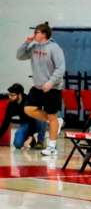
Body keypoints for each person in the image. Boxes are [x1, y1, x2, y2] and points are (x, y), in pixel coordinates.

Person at [15, 21, 65, 157]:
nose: (34, 35)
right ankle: (54, 122)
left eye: (36, 32)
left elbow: (61, 68)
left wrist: (51, 82)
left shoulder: (55, 48)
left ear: (44, 34)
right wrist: (26, 42)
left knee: (52, 115)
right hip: (37, 87)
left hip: (52, 88)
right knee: (28, 109)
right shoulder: (34, 46)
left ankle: (52, 147)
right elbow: (19, 56)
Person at [0, 84, 46, 150]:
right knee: (17, 144)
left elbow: (32, 120)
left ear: (19, 95)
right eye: (9, 95)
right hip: (25, 123)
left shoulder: (29, 101)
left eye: (12, 95)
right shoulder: (11, 104)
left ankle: (40, 141)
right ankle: (32, 140)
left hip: (35, 122)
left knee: (41, 118)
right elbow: (6, 122)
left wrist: (30, 136)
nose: (9, 97)